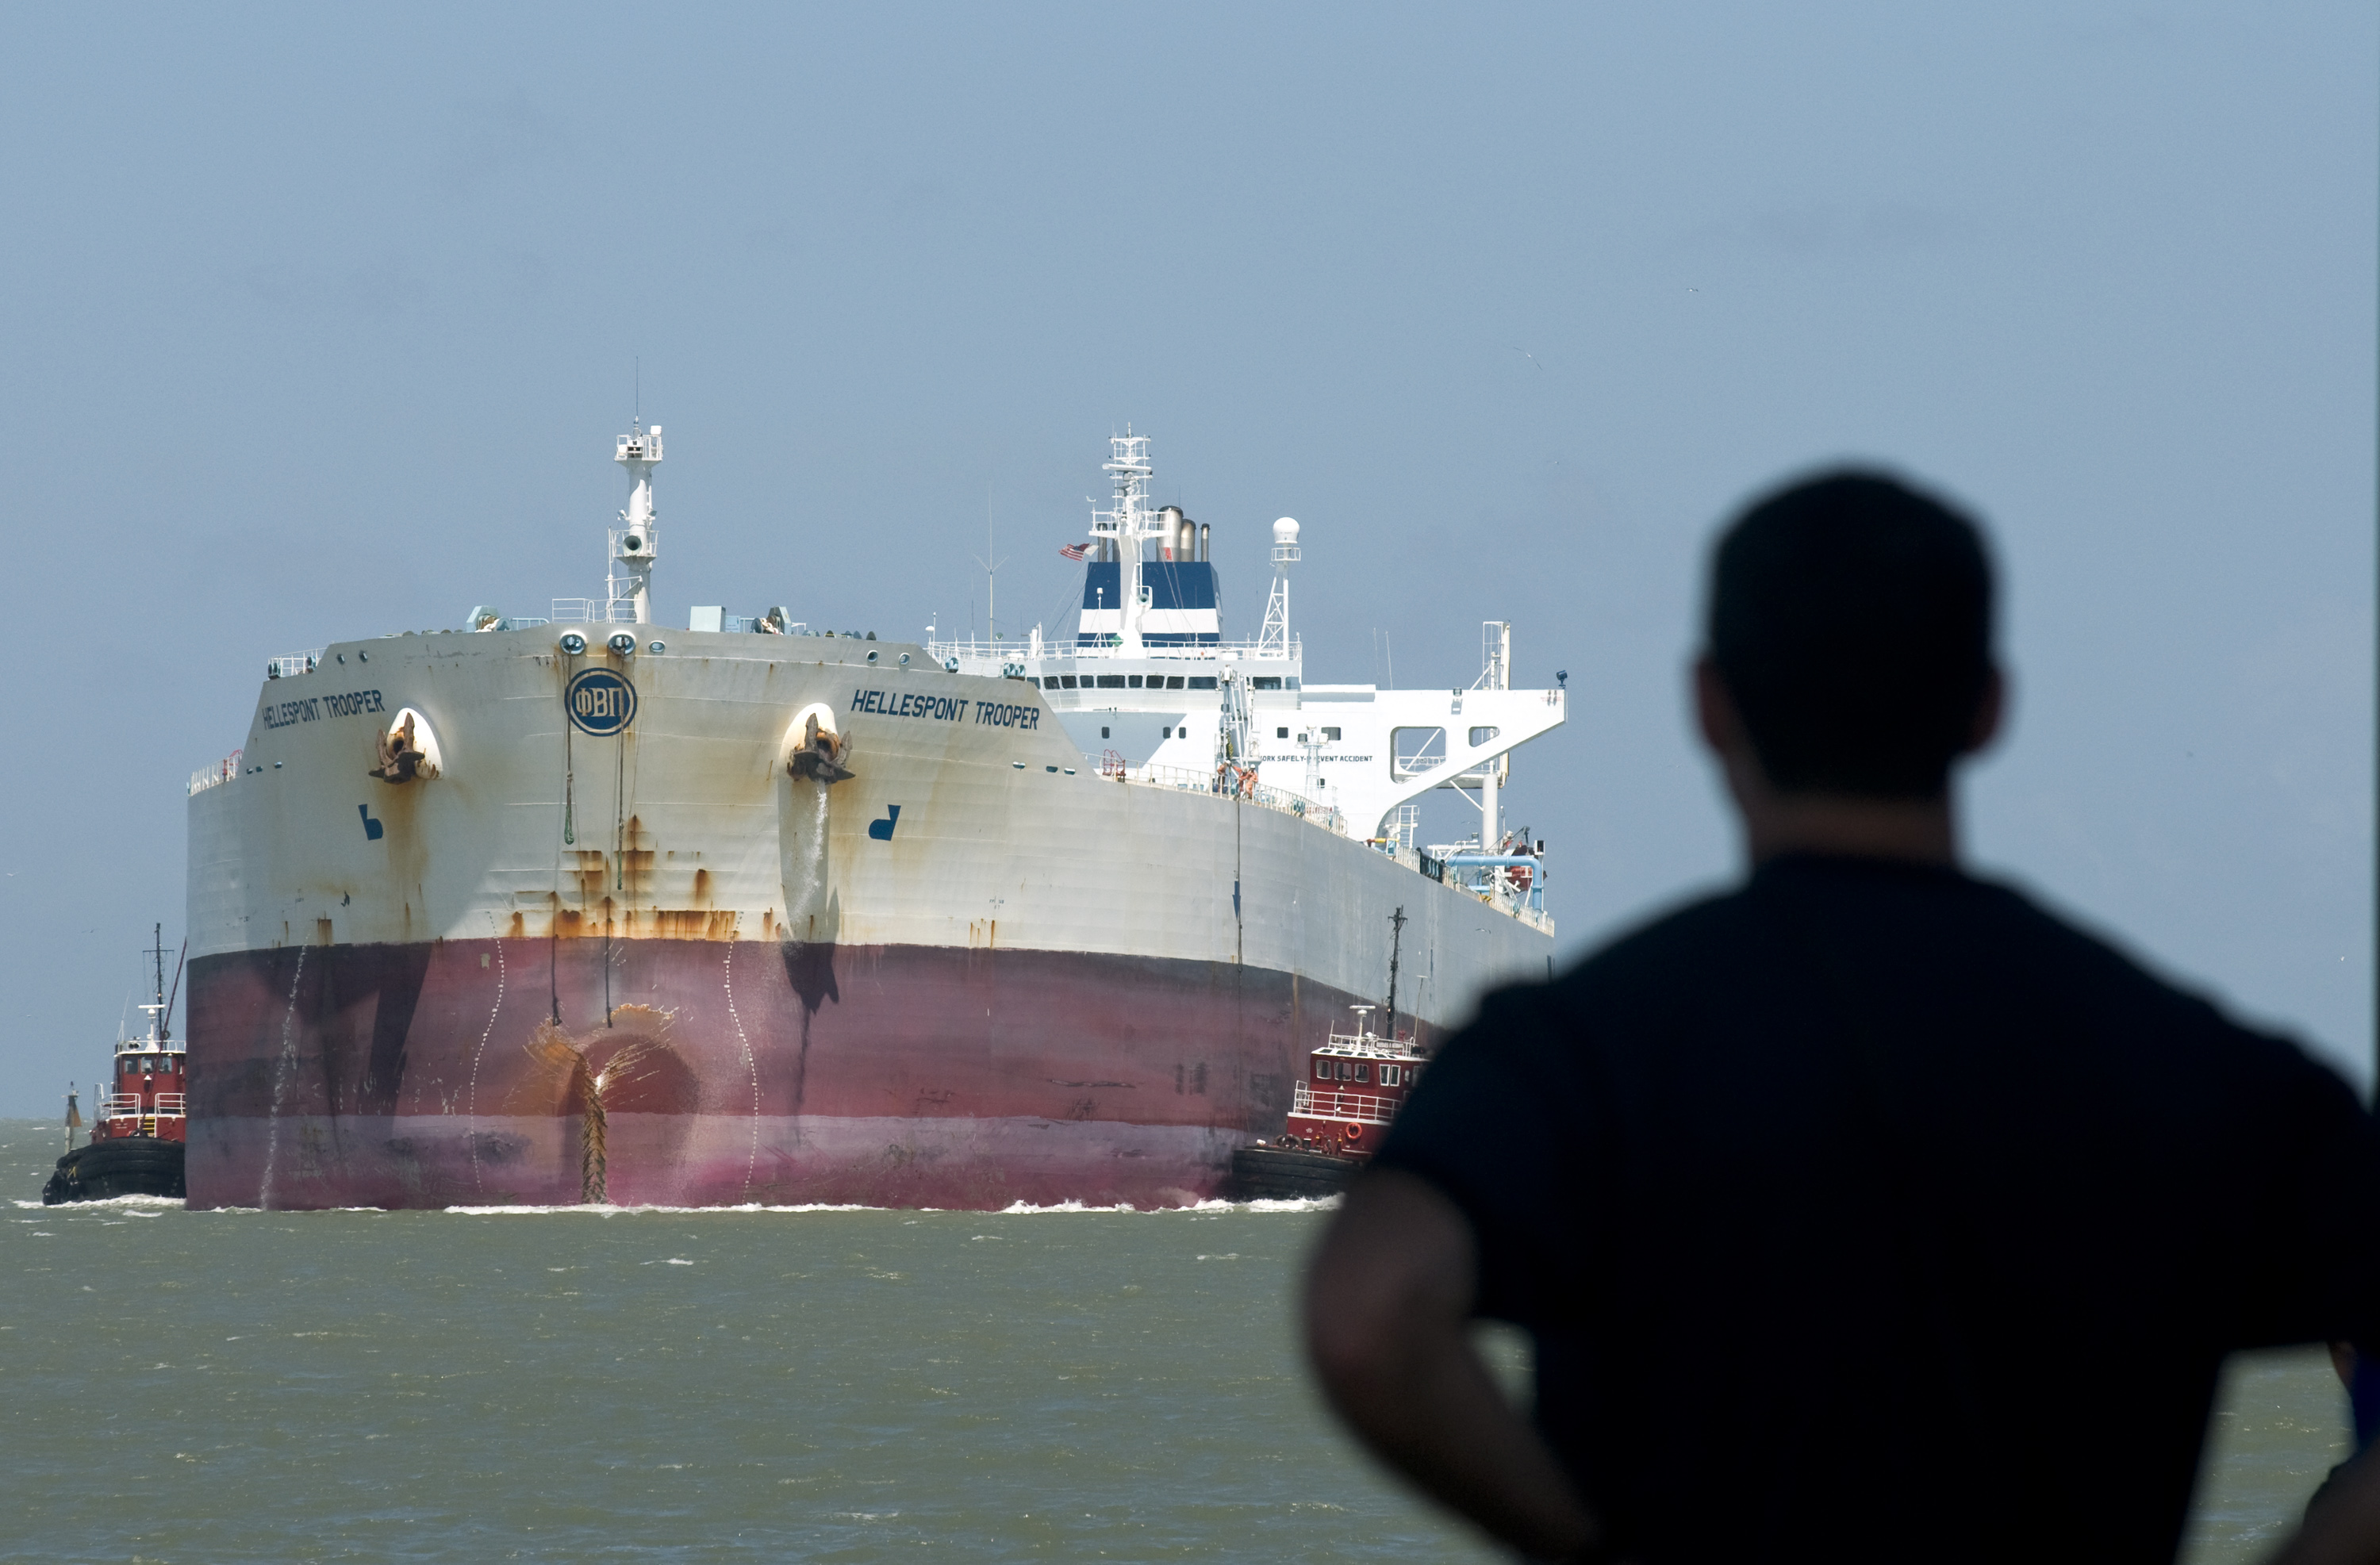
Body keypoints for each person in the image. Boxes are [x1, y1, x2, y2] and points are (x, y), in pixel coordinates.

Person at [1304, 470, 2380, 1563]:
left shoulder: (1572, 1053)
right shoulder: (2202, 1070)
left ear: (1709, 705)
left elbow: (1365, 1315)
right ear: (1989, 706)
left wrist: (1588, 1545)